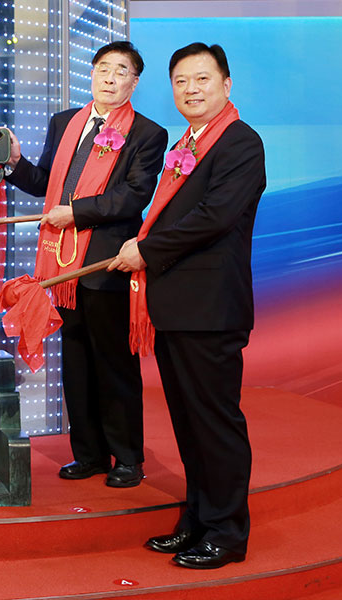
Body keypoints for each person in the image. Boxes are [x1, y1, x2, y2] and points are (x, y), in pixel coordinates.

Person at [108, 42, 265, 569]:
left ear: (226, 84)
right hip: (175, 306)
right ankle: (198, 519)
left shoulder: (241, 142)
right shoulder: (190, 142)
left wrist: (145, 250)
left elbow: (214, 217)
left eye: (202, 79)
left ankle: (227, 532)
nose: (191, 90)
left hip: (210, 309)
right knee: (189, 424)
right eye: (181, 81)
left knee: (215, 424)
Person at [1, 41, 167, 487]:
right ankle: (89, 454)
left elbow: (133, 196)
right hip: (61, 266)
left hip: (106, 265)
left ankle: (127, 458)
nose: (110, 78)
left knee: (114, 364)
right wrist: (15, 163)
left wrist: (76, 213)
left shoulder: (147, 134)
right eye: (104, 68)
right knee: (74, 364)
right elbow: (45, 184)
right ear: (91, 73)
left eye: (121, 71)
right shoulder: (65, 123)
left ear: (134, 82)